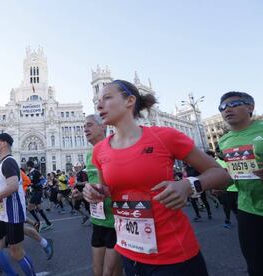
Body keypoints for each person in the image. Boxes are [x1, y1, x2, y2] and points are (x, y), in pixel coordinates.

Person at [83, 79, 230, 276]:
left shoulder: (165, 136)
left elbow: (222, 174)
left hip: (173, 255)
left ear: (130, 101)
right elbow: (107, 191)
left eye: (107, 98)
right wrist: (94, 192)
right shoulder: (100, 150)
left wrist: (188, 185)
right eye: (98, 100)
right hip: (129, 251)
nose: (99, 105)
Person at [217, 91, 263, 275]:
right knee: (256, 265)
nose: (227, 110)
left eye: (234, 104)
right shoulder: (224, 141)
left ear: (250, 107)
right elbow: (233, 171)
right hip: (248, 209)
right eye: (222, 107)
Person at [0, 133, 36, 276]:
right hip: (2, 214)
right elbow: (6, 186)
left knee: (17, 254)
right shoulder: (3, 163)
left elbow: (12, 187)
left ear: (4, 143)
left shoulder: (9, 162)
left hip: (13, 213)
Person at [84, 114, 122, 276]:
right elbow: (93, 183)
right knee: (97, 271)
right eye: (84, 126)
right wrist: (84, 192)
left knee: (110, 272)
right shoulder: (88, 155)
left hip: (116, 221)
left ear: (103, 127)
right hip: (98, 219)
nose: (85, 129)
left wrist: (101, 190)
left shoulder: (116, 149)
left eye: (90, 125)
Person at [26, 160, 52, 231]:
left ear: (29, 166)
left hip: (38, 191)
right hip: (35, 191)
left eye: (27, 166)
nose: (27, 167)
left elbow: (43, 180)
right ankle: (48, 223)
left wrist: (36, 185)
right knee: (39, 208)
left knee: (29, 207)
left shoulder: (36, 172)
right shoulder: (29, 173)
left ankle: (39, 223)